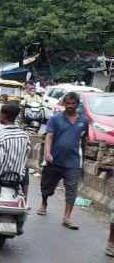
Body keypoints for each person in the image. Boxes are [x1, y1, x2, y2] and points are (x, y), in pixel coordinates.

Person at [38, 92, 87, 229]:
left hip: (73, 161)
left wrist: (84, 158)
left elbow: (84, 140)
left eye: (73, 104)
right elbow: (49, 136)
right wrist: (47, 152)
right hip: (55, 159)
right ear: (64, 104)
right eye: (68, 103)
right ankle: (44, 202)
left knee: (72, 189)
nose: (70, 106)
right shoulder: (56, 119)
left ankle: (67, 217)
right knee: (47, 185)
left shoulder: (83, 121)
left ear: (77, 104)